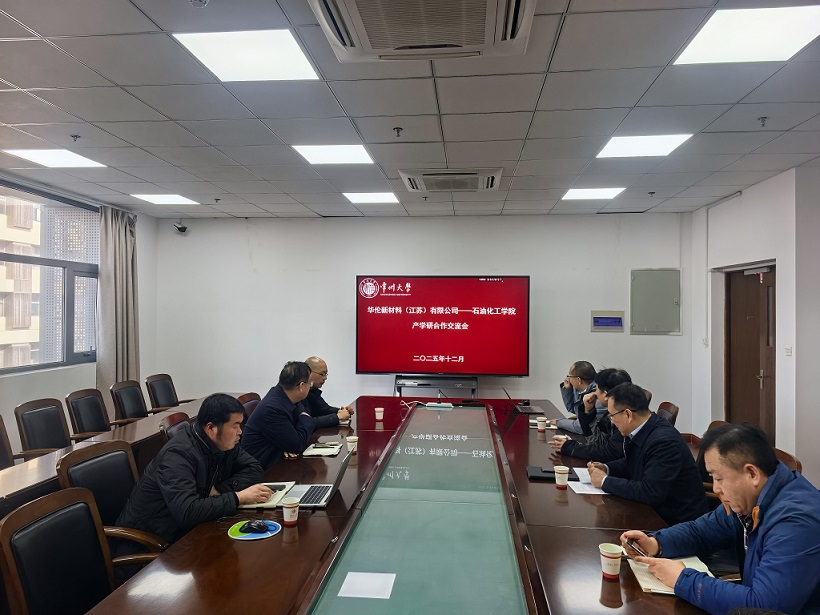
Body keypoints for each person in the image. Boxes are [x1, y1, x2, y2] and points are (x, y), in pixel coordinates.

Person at [621, 424, 820, 615]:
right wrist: (656, 543)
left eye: (719, 478)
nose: (716, 489)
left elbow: (762, 606)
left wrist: (682, 580)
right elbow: (701, 531)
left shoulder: (796, 523)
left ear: (752, 474)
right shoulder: (751, 500)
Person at [116, 393, 271, 544]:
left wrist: (220, 490)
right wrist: (238, 498)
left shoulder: (222, 442)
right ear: (211, 428)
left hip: (187, 533)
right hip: (150, 544)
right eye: (235, 426)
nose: (240, 431)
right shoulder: (177, 456)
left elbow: (254, 468)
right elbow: (187, 512)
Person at [587, 382, 708, 525]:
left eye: (612, 415)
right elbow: (635, 461)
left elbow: (650, 492)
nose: (612, 422)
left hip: (676, 522)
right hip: (655, 511)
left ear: (628, 414)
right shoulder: (645, 428)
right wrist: (606, 468)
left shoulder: (663, 442)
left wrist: (604, 481)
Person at [242, 360, 316, 468]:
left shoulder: (282, 395)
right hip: (262, 470)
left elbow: (293, 440)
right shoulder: (272, 409)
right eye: (310, 383)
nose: (310, 387)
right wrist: (306, 417)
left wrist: (286, 445)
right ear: (301, 386)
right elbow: (297, 444)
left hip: (277, 461)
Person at [549, 367, 632, 461]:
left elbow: (608, 453)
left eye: (596, 389)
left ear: (605, 394)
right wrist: (588, 410)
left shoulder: (624, 418)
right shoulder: (609, 415)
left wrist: (572, 448)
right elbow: (598, 443)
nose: (595, 393)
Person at [304, 356, 353, 428]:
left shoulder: (313, 391)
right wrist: (337, 417)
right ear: (309, 373)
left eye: (326, 374)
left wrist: (342, 411)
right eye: (322, 374)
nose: (325, 378)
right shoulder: (300, 392)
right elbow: (308, 422)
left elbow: (324, 409)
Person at [554, 361, 602, 434]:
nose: (568, 379)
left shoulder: (598, 395)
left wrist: (559, 422)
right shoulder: (580, 390)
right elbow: (572, 409)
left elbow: (580, 427)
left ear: (578, 380)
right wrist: (568, 390)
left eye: (569, 376)